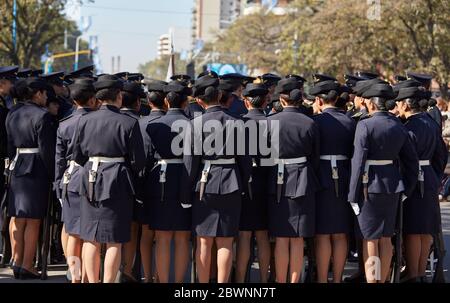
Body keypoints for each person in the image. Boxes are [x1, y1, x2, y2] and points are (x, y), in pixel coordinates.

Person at [72, 75, 145, 283]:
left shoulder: (84, 119)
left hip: (90, 179)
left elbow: (76, 156)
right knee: (115, 240)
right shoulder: (129, 122)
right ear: (119, 96)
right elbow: (138, 161)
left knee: (90, 237)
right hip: (118, 180)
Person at [181, 75, 252, 283]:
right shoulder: (237, 122)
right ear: (220, 95)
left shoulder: (194, 124)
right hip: (232, 182)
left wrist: (185, 195)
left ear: (201, 101)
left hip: (205, 183)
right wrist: (241, 181)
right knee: (226, 242)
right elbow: (245, 161)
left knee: (203, 242)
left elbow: (190, 163)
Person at [348, 83, 419, 283]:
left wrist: (352, 195)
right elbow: (411, 161)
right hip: (392, 185)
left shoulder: (365, 125)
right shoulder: (397, 124)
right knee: (386, 237)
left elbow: (358, 161)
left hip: (368, 186)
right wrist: (407, 187)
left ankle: (373, 279)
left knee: (370, 237)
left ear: (371, 103)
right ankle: (383, 279)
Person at [267, 78, 320, 283]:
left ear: (282, 99)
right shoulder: (310, 122)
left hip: (277, 179)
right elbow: (315, 157)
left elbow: (264, 157)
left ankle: (280, 280)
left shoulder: (269, 121)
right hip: (303, 178)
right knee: (298, 239)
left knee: (281, 238)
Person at [395, 87, 447, 282]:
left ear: (406, 104)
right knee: (425, 229)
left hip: (413, 178)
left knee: (412, 229)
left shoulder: (407, 127)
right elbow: (441, 155)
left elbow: (404, 158)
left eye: (399, 102)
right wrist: (434, 174)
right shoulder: (431, 123)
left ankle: (414, 272)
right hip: (429, 177)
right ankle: (420, 272)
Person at [6, 77, 56, 279]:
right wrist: (54, 174)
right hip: (36, 167)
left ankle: (17, 261)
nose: (46, 97)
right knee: (33, 220)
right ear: (37, 94)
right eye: (44, 93)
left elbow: (10, 144)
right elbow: (47, 151)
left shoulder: (13, 112)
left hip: (17, 165)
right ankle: (27, 264)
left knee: (18, 217)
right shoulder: (42, 116)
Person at [143, 81, 192, 283]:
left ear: (165, 101)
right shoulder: (192, 124)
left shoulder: (155, 125)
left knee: (162, 237)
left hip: (160, 180)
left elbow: (145, 158)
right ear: (186, 102)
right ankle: (179, 283)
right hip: (185, 178)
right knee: (182, 238)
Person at [310, 80, 356, 283]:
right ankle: (337, 278)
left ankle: (322, 279)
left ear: (319, 100)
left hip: (322, 178)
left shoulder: (315, 121)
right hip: (345, 178)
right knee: (340, 234)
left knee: (322, 234)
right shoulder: (350, 122)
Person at [55, 79, 97, 283]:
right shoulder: (97, 120)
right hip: (94, 177)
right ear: (92, 98)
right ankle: (89, 276)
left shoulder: (65, 123)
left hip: (70, 178)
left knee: (73, 231)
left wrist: (57, 184)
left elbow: (59, 159)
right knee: (91, 234)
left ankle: (76, 275)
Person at [235, 83, 271, 283]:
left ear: (246, 102)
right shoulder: (271, 122)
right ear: (265, 101)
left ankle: (240, 281)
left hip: (246, 184)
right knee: (263, 236)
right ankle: (264, 281)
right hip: (267, 184)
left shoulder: (239, 123)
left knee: (244, 236)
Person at [138, 80, 167, 282]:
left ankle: (147, 276)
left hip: (148, 181)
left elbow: (141, 158)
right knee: (162, 235)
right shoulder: (175, 122)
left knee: (146, 233)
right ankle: (159, 275)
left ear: (148, 101)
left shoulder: (141, 123)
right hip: (168, 181)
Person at [119, 81, 147, 282]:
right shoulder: (139, 122)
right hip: (135, 182)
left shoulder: (116, 119)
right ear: (138, 102)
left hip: (107, 180)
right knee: (133, 228)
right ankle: (127, 271)